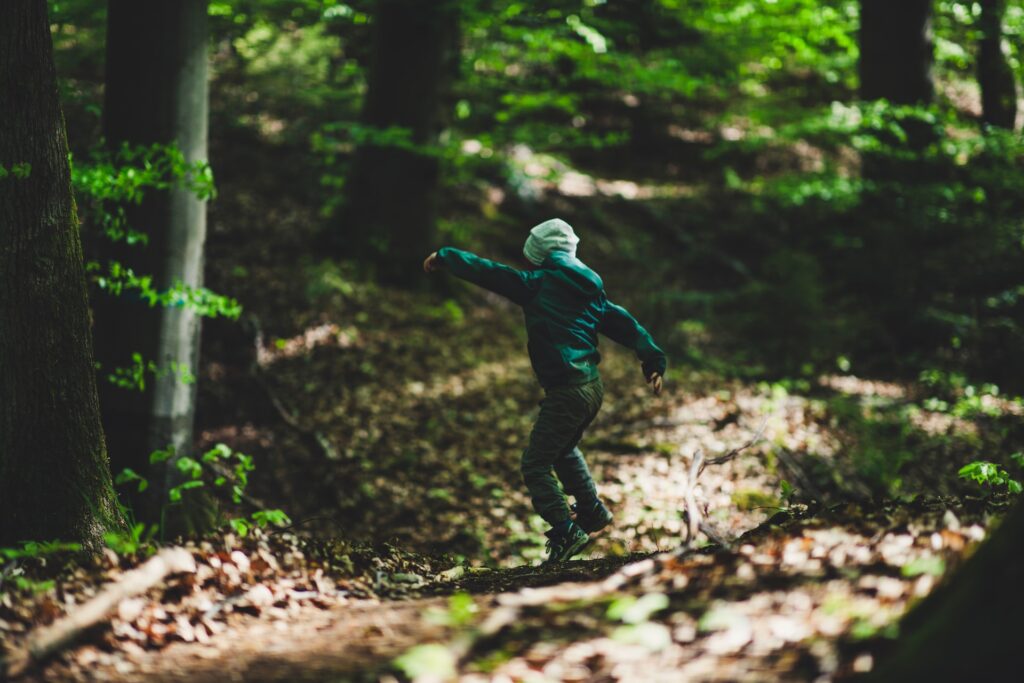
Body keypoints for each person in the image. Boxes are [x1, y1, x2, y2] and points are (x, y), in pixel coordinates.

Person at [423, 218, 667, 564]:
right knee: (563, 449)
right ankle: (592, 510)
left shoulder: (537, 284)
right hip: (590, 387)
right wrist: (653, 359)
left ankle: (566, 531)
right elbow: (626, 324)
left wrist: (446, 256)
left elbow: (490, 272)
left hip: (568, 389)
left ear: (539, 254)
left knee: (535, 464)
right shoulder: (592, 292)